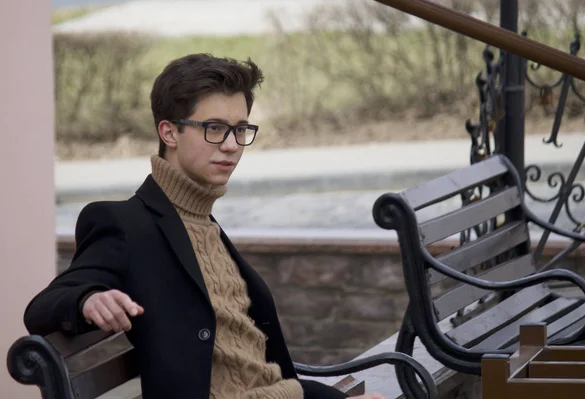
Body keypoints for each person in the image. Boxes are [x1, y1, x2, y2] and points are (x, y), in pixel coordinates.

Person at [23, 54, 386, 399]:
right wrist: (89, 299)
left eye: (240, 129)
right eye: (215, 128)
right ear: (169, 133)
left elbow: (262, 375)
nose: (231, 145)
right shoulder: (125, 223)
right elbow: (42, 308)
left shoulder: (202, 220)